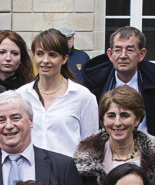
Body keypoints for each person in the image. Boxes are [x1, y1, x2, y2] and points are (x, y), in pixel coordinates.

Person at [80, 26, 155, 148]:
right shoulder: (93, 88)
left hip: (151, 160)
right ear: (110, 54)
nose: (123, 56)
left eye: (130, 50)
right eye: (118, 50)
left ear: (141, 54)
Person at [73, 86, 155, 185]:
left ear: (137, 120)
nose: (117, 123)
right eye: (111, 116)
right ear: (103, 120)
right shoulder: (85, 159)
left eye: (124, 115)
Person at [16, 29, 99, 157]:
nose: (45, 60)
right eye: (40, 54)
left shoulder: (83, 97)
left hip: (68, 173)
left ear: (65, 58)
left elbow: (90, 147)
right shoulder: (22, 95)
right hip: (30, 173)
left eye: (52, 55)